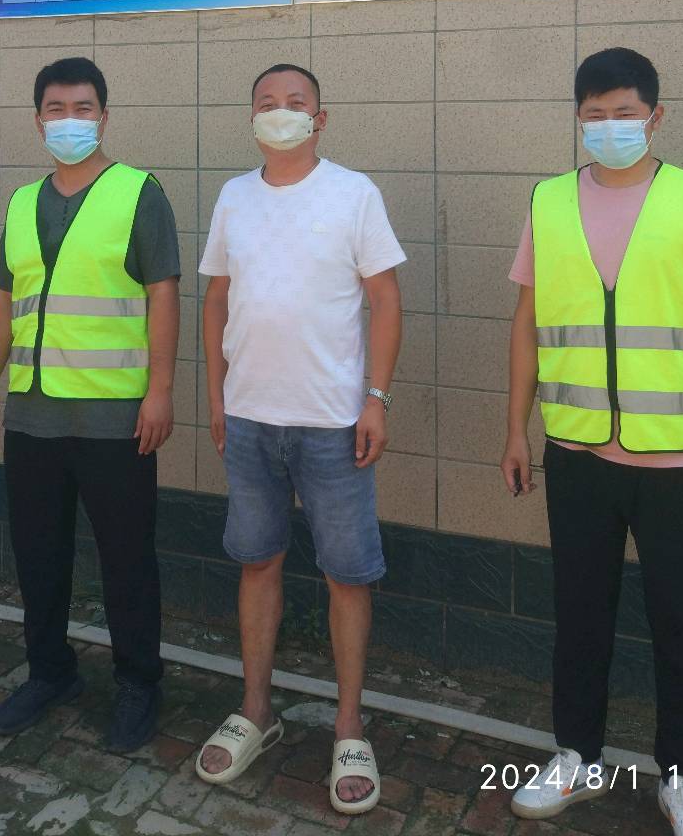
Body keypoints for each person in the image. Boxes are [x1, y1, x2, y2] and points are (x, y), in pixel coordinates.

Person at [500, 47, 683, 834]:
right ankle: (577, 756)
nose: (609, 126)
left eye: (624, 113)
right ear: (577, 119)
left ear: (655, 116)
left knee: (680, 621)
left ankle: (681, 779)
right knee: (579, 613)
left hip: (671, 456)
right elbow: (527, 323)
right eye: (594, 115)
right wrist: (514, 428)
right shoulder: (549, 200)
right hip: (575, 450)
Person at [193, 63, 405, 816]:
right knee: (258, 562)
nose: (279, 112)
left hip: (333, 423)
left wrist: (376, 398)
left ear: (320, 118)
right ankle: (256, 711)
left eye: (295, 103)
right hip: (250, 419)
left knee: (347, 574)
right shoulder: (234, 196)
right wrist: (216, 394)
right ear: (250, 117)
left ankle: (349, 727)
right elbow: (215, 299)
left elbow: (385, 299)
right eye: (266, 103)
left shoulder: (353, 193)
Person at [0, 55, 180, 752]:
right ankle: (50, 673)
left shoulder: (138, 192)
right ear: (38, 121)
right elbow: (4, 300)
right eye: (56, 110)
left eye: (82, 108)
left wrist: (160, 390)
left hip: (115, 418)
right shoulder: (21, 204)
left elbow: (163, 293)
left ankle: (138, 684)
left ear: (104, 116)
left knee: (127, 560)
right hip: (33, 416)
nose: (69, 121)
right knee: (38, 555)